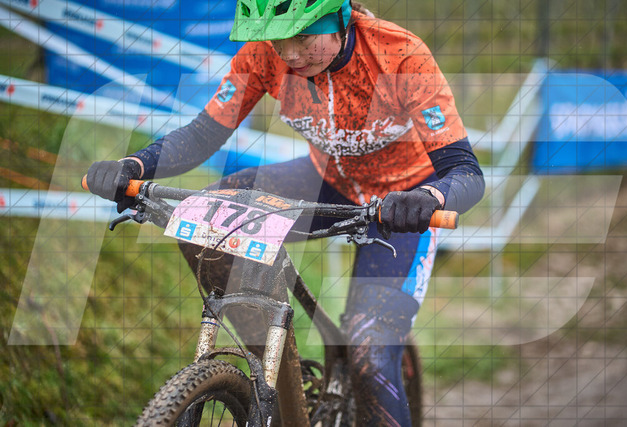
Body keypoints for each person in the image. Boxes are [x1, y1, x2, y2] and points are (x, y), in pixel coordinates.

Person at [85, 0, 485, 425]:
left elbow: (465, 172)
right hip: (326, 182)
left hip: (399, 203)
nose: (290, 54)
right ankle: (273, 379)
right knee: (204, 217)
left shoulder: (398, 54)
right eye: (278, 40)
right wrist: (135, 166)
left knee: (368, 354)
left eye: (303, 37)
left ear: (339, 20)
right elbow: (204, 133)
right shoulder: (262, 54)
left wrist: (430, 197)